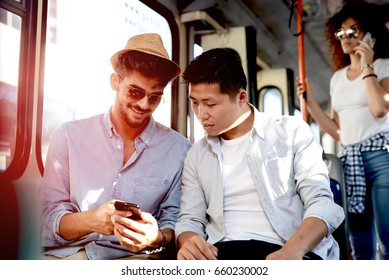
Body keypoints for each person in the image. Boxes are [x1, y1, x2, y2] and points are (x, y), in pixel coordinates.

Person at [175, 47, 345, 260]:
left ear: (241, 97)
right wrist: (190, 243)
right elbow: (190, 219)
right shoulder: (197, 154)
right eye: (194, 102)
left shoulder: (290, 132)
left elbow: (321, 202)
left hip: (287, 246)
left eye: (210, 104)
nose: (201, 114)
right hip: (222, 252)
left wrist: (294, 250)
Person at [41, 33, 192, 260]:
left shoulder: (179, 149)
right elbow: (45, 220)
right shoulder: (69, 136)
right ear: (115, 81)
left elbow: (174, 220)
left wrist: (158, 238)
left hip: (137, 259)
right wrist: (91, 220)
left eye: (154, 97)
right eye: (135, 92)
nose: (144, 104)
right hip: (71, 255)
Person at [296, 0, 389, 260]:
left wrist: (367, 64)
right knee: (359, 243)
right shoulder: (337, 78)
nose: (345, 37)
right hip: (350, 161)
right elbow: (337, 131)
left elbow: (380, 108)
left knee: (388, 238)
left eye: (353, 31)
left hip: (381, 159)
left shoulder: (383, 67)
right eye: (341, 32)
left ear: (369, 34)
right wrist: (310, 101)